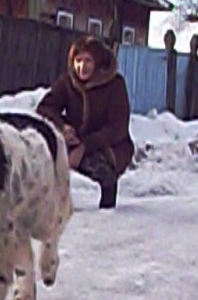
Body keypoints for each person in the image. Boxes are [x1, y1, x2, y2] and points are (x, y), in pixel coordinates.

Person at [36, 35, 133, 209]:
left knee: (104, 173)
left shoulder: (115, 84)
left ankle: (107, 213)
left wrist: (85, 146)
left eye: (87, 60)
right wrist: (62, 127)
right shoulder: (68, 81)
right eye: (78, 60)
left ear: (97, 62)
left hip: (108, 144)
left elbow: (118, 128)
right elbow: (46, 108)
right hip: (75, 139)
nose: (82, 66)